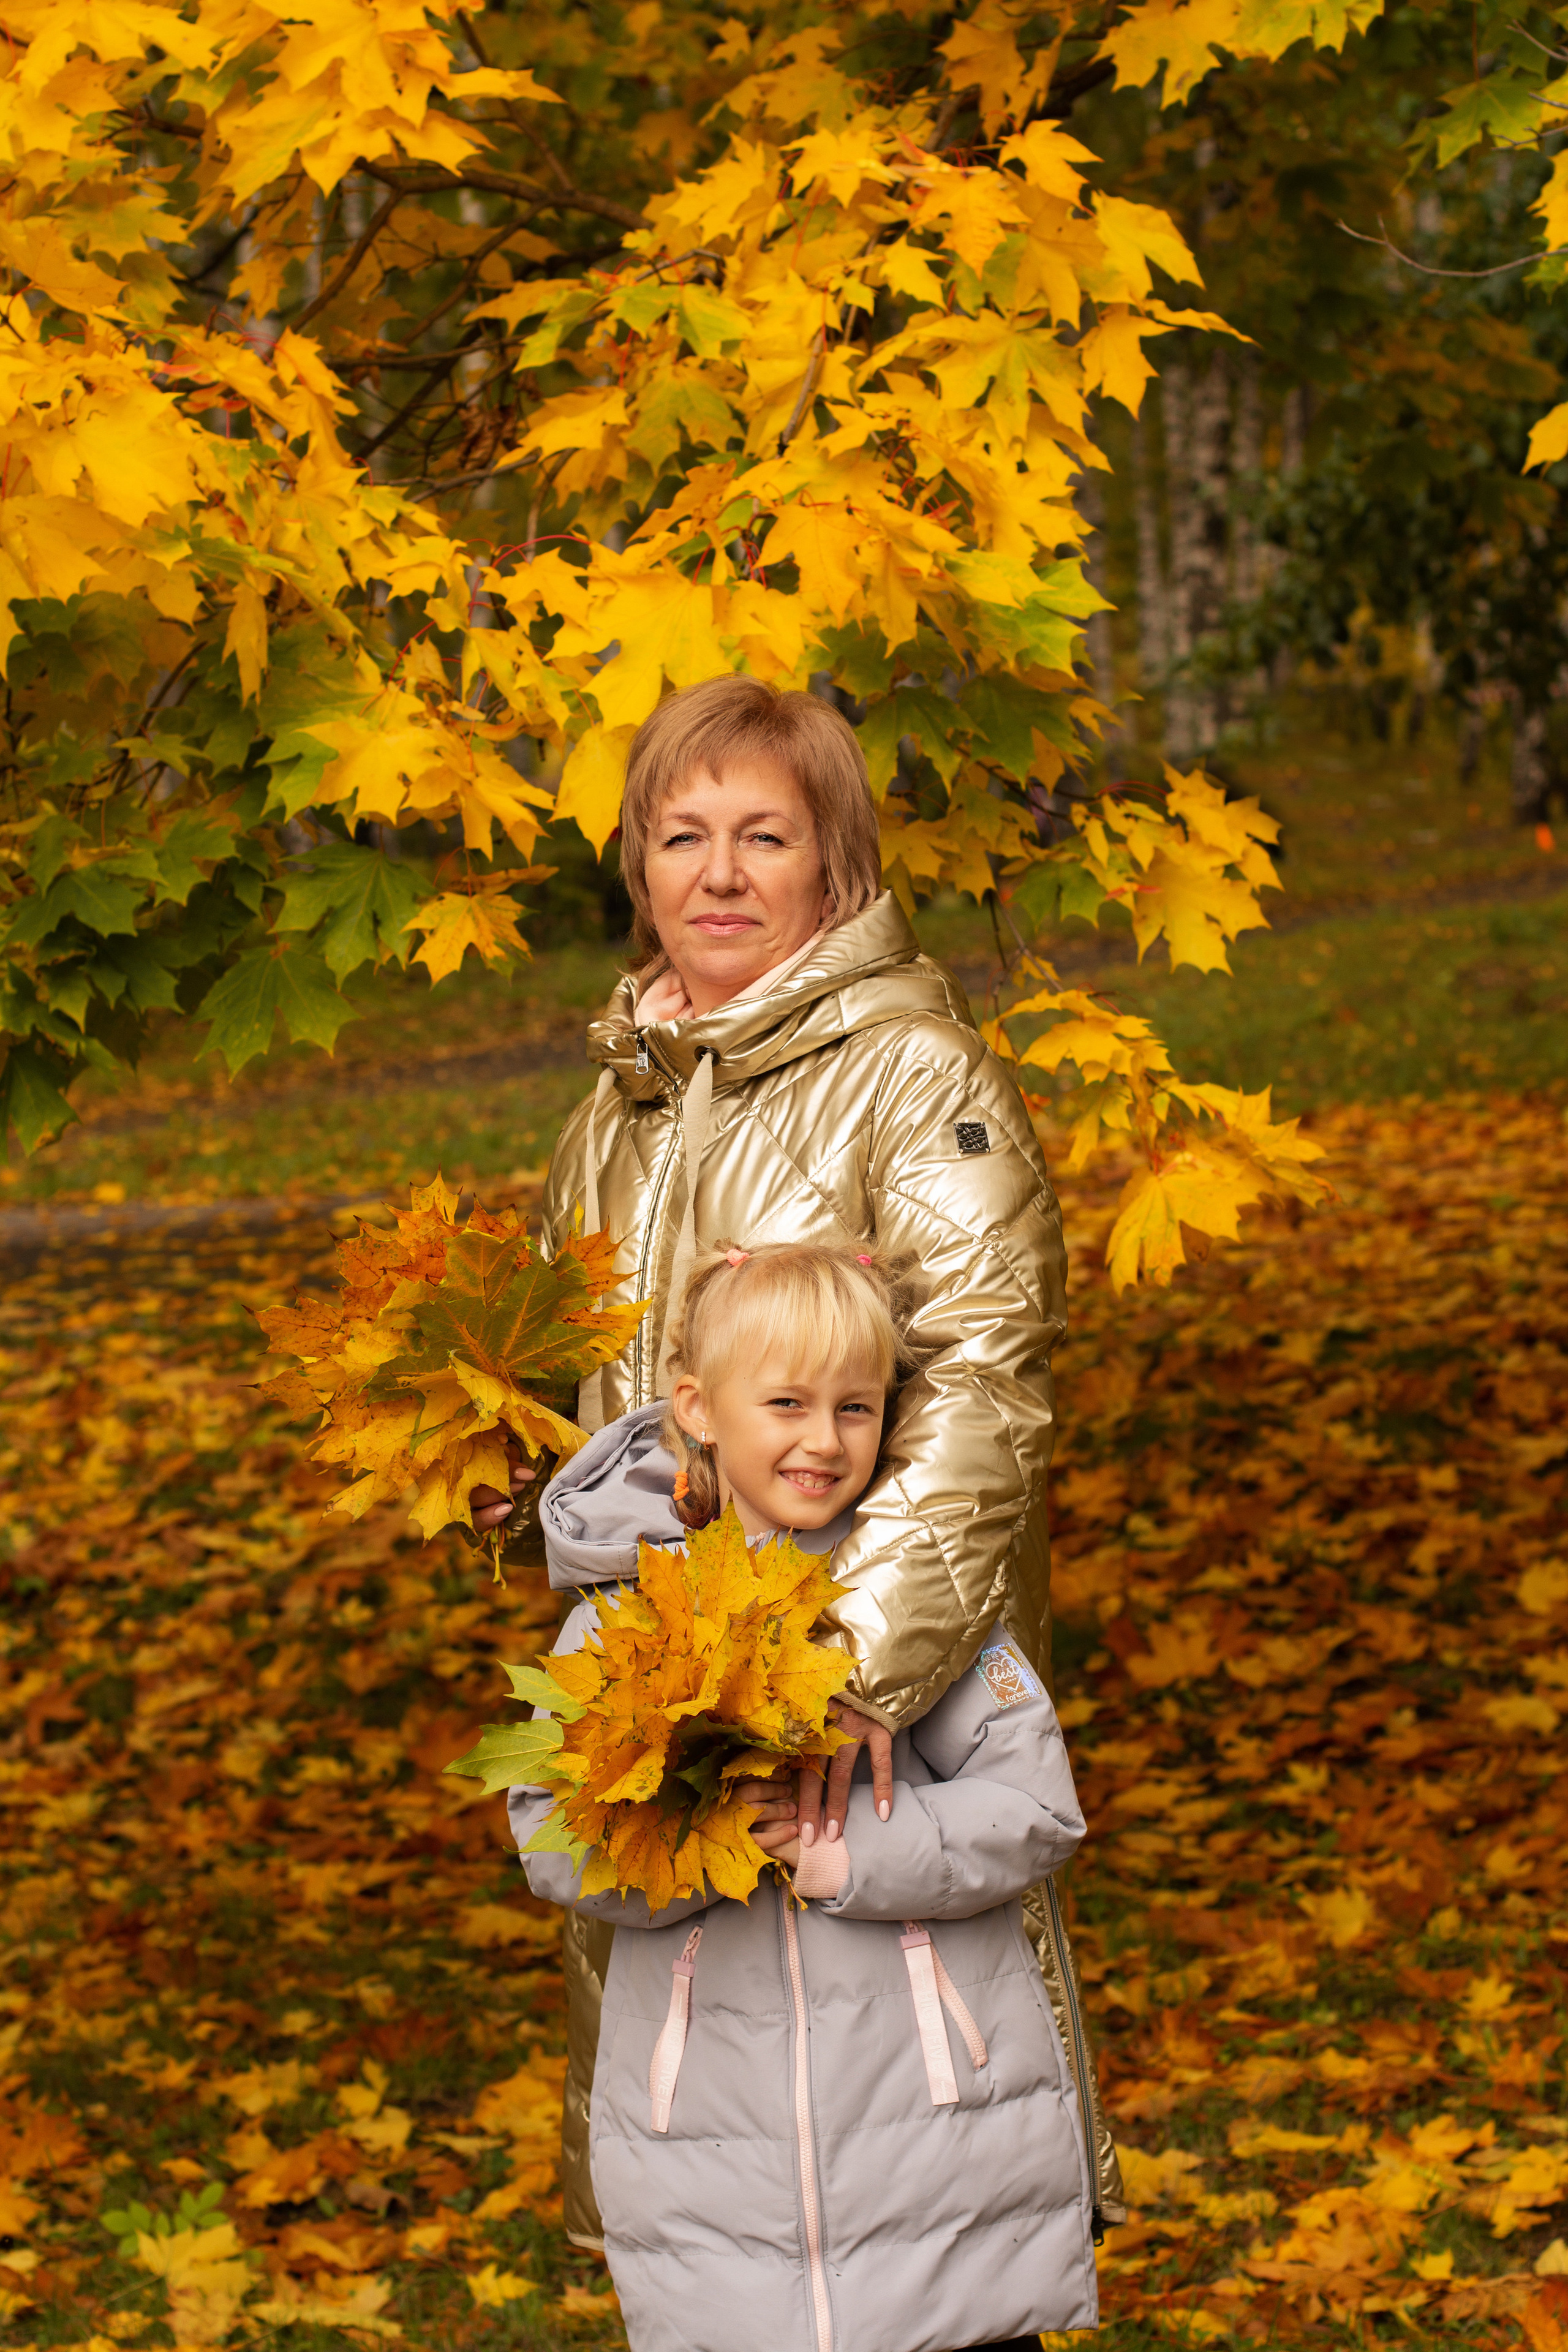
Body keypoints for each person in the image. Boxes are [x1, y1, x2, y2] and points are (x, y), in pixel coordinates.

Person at [469, 672, 1123, 2241]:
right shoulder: (608, 1114)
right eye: (679, 835)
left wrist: (844, 1666)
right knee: (712, 2172)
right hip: (670, 1722)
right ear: (635, 865)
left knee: (915, 2160)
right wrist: (523, 1509)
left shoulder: (916, 1079)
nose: (717, 874)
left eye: (763, 835)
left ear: (834, 862)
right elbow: (617, 1420)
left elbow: (981, 1388)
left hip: (868, 1724)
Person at [511, 1245, 1098, 2352]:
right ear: (698, 1406)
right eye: (785, 1402)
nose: (823, 1440)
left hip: (937, 2144)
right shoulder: (623, 1619)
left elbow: (1035, 1806)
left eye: (857, 1407)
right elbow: (553, 1838)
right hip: (710, 2158)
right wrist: (697, 1837)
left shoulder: (914, 1610)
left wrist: (856, 1857)